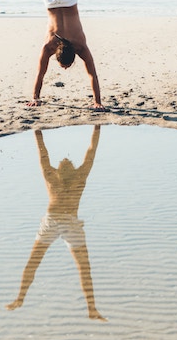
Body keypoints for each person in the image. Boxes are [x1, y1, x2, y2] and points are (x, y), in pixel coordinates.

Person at [6, 126, 107, 322]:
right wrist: (96, 128)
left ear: (59, 168)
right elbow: (90, 153)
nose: (65, 160)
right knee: (78, 268)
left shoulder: (53, 178)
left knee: (42, 264)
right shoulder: (79, 177)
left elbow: (43, 155)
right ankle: (91, 309)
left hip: (57, 222)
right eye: (65, 161)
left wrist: (38, 133)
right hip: (65, 223)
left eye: (65, 161)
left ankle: (21, 299)